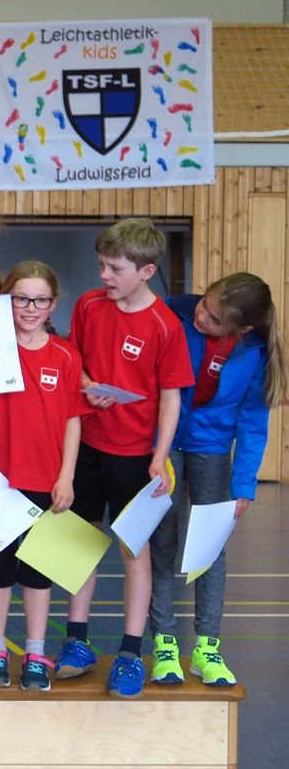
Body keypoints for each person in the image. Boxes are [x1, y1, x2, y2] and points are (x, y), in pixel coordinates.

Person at [58, 217, 194, 699]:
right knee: (80, 544)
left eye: (115, 269)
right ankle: (76, 642)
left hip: (135, 456)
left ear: (147, 271)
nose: (104, 276)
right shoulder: (89, 305)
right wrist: (86, 385)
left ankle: (132, 653)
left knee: (134, 553)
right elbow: (72, 361)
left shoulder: (165, 326)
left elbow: (171, 397)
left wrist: (160, 455)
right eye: (102, 265)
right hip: (87, 446)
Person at [0, 261, 86, 694]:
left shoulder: (66, 355)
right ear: (7, 300)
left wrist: (66, 477)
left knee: (38, 572)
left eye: (39, 300)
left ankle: (35, 652)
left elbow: (73, 420)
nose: (30, 307)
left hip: (48, 481)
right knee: (0, 568)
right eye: (21, 298)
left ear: (53, 304)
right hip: (1, 482)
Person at [149, 273, 284, 686]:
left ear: (242, 328)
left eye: (213, 319)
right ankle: (164, 643)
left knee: (209, 548)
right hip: (166, 444)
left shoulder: (255, 352)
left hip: (212, 449)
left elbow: (253, 422)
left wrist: (243, 483)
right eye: (203, 306)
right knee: (162, 542)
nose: (201, 317)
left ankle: (206, 646)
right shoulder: (174, 314)